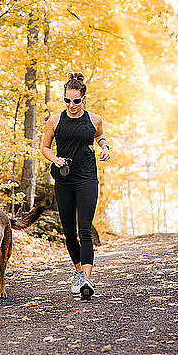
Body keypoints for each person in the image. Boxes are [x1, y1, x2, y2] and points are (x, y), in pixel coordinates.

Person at [41, 72, 111, 300]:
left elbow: (100, 136)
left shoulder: (94, 119)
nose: (71, 105)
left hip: (87, 178)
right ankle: (78, 273)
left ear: (83, 99)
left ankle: (88, 280)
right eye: (67, 100)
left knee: (84, 229)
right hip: (64, 179)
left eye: (76, 101)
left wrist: (104, 147)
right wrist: (55, 159)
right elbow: (45, 147)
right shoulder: (54, 121)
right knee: (69, 233)